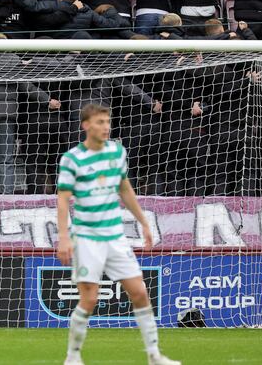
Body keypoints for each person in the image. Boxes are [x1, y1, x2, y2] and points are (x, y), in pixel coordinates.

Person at [57, 104, 179, 365]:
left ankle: (154, 355)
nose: (106, 127)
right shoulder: (72, 158)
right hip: (86, 238)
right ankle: (73, 355)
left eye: (107, 122)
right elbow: (63, 199)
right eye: (100, 122)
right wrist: (64, 237)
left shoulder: (117, 152)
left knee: (140, 292)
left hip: (115, 236)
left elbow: (124, 188)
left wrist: (144, 222)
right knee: (89, 300)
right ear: (86, 125)